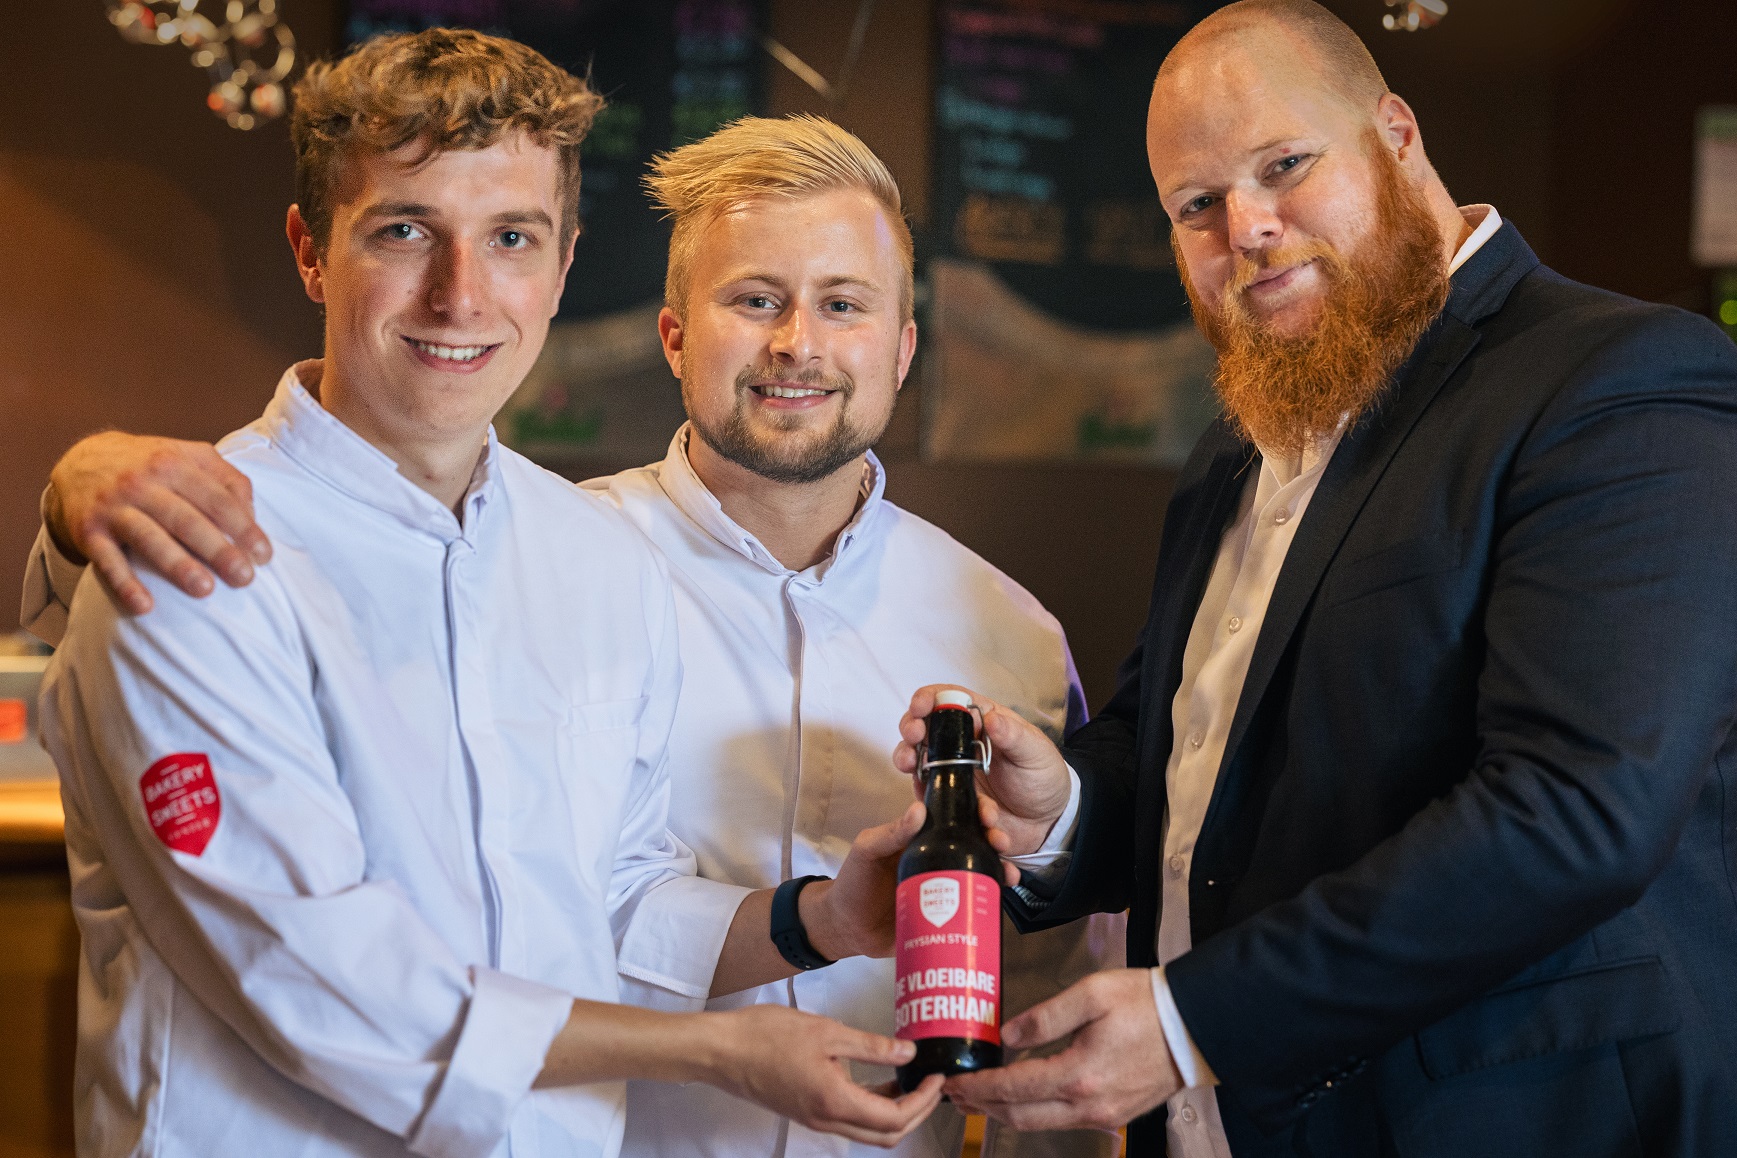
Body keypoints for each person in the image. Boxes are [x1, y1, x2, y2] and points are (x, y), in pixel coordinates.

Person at [20, 115, 1122, 1158]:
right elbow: (348, 945)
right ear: (675, 334)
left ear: (904, 344)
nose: (799, 343)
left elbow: (1047, 991)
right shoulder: (551, 556)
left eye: (844, 304)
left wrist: (822, 920)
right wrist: (74, 508)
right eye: (755, 298)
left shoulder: (1007, 629)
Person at [889, 2, 1737, 1156]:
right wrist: (1064, 811)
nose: (1248, 227)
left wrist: (1193, 1021)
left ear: (1395, 134)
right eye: (1196, 207)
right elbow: (1189, 750)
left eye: (1284, 166)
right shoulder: (1235, 444)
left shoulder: (1621, 381)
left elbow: (1577, 812)